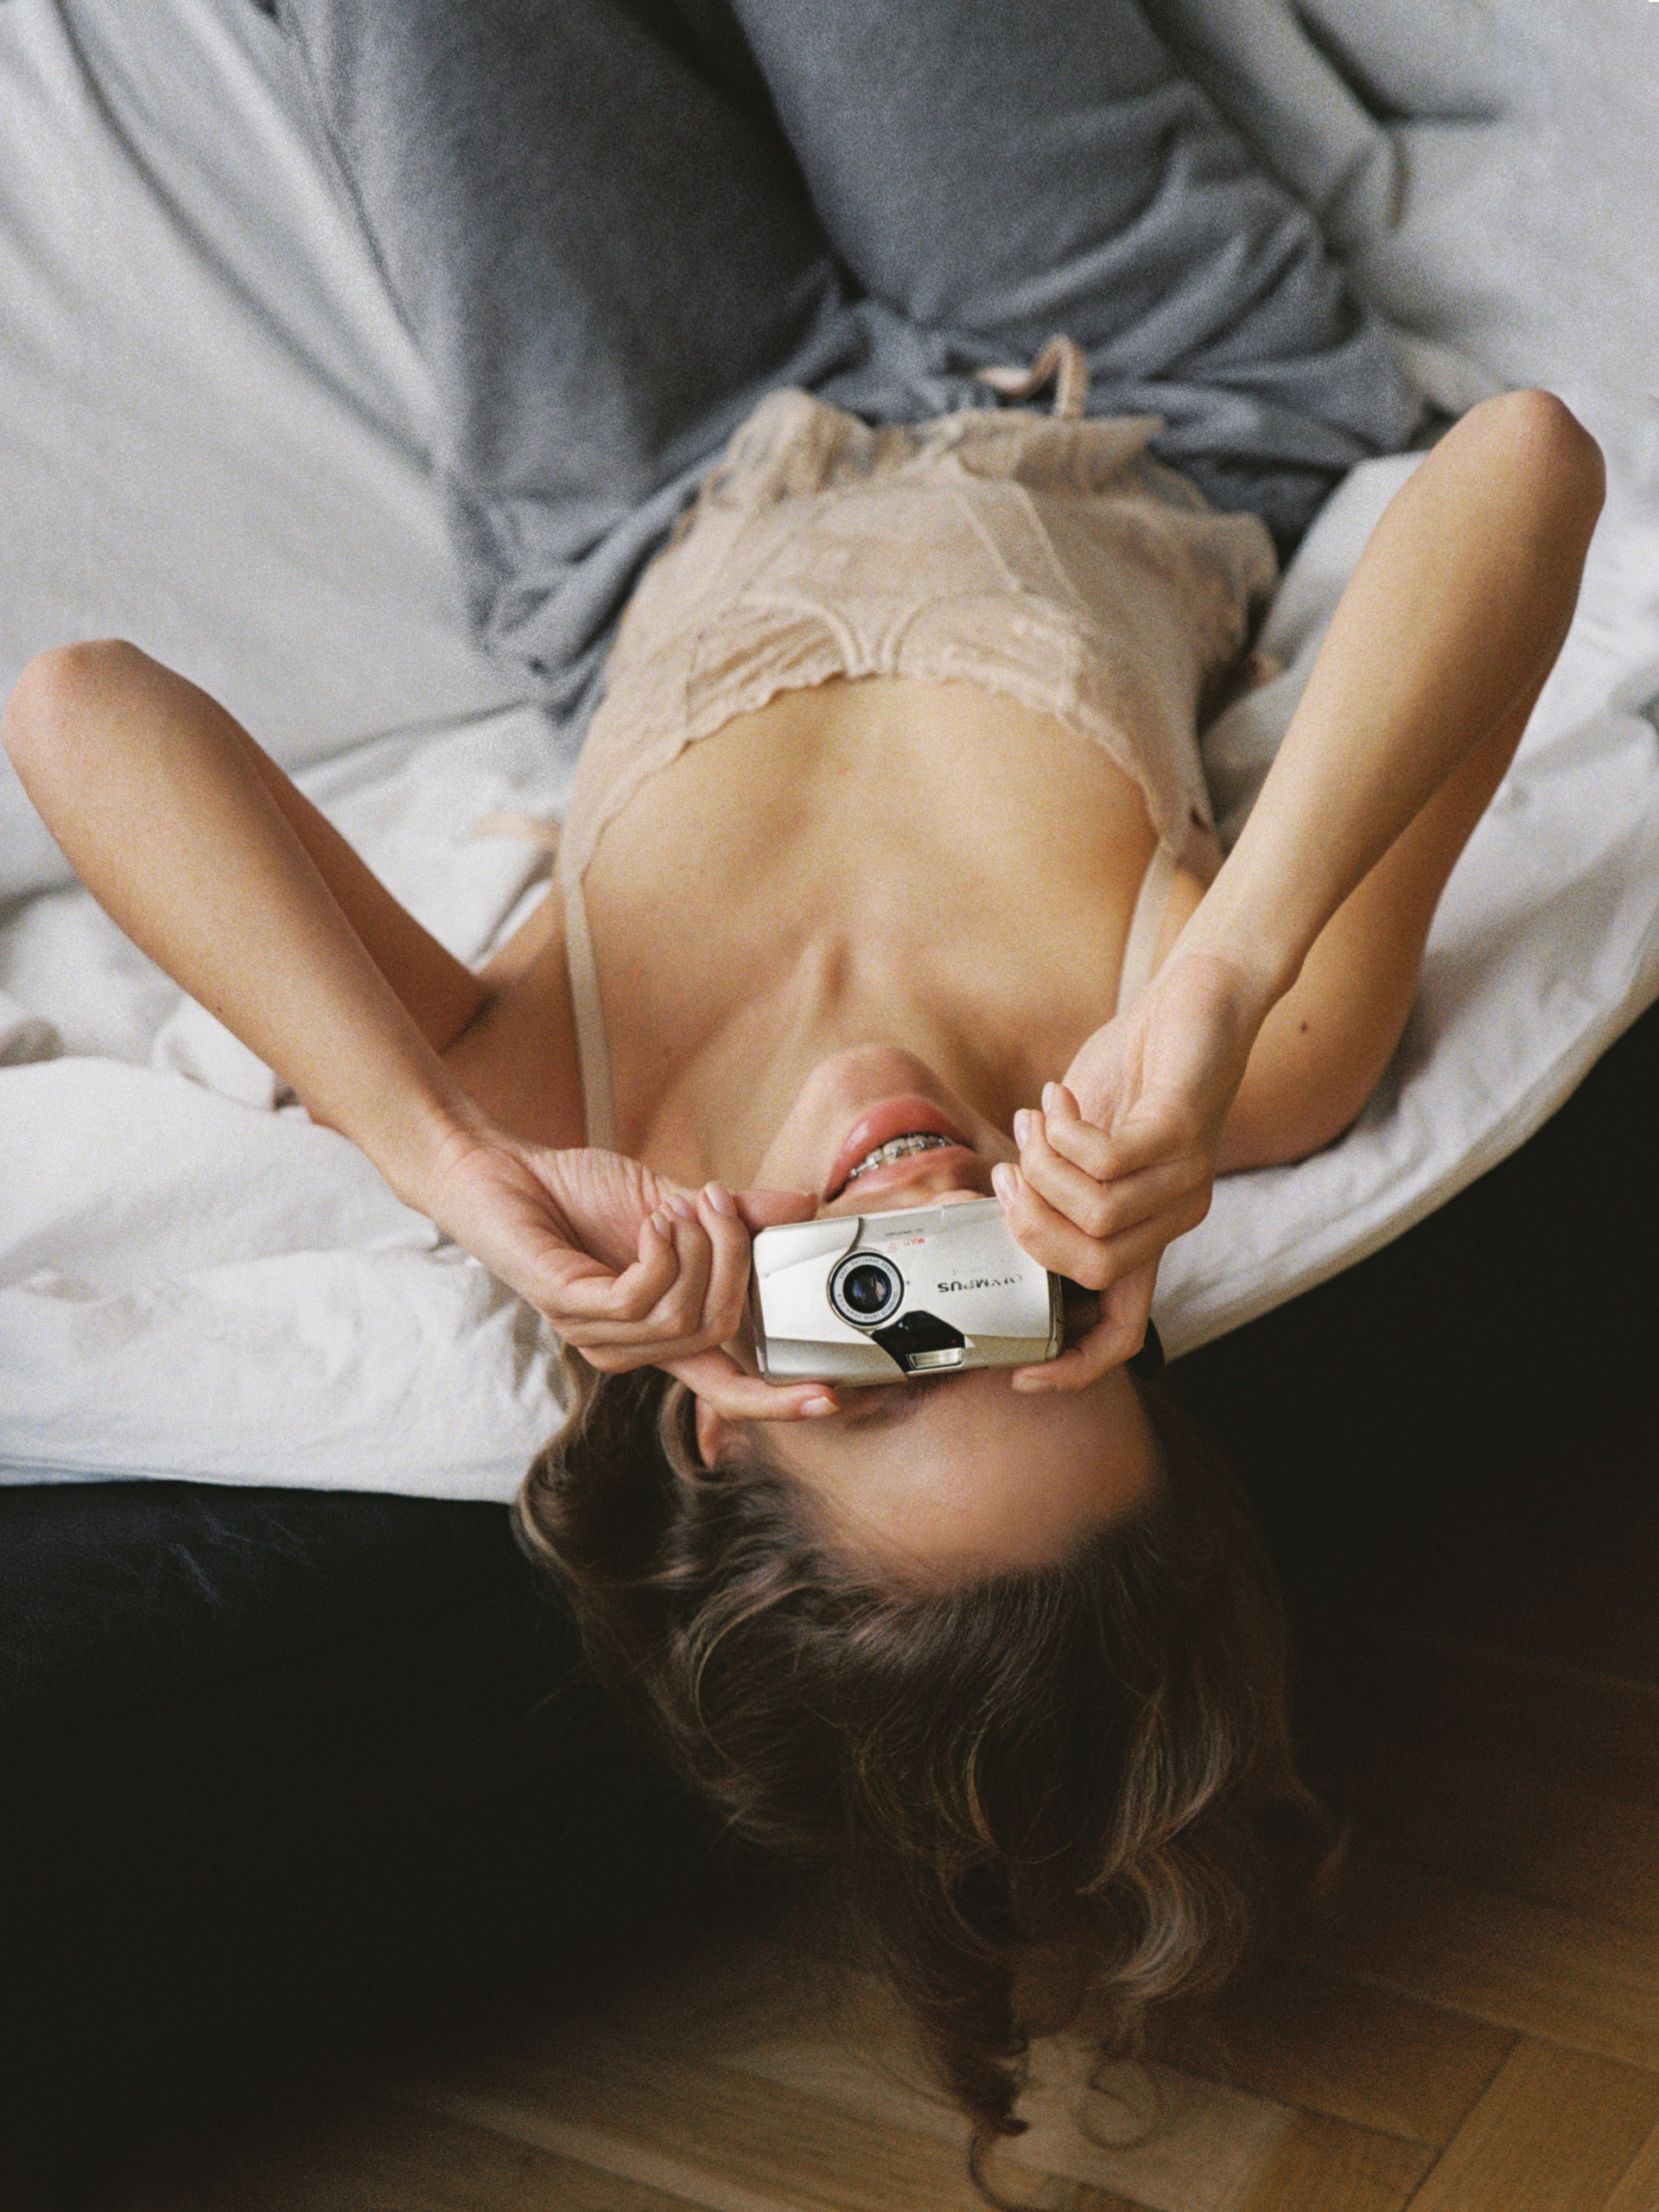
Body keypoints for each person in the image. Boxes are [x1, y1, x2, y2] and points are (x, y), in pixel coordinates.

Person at [3, 0, 1606, 2180]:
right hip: (1132, 382)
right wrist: (1231, 972)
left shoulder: (561, 1105)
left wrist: (438, 1153)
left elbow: (79, 706)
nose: (930, 1232)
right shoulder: (1213, 1063)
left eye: (884, 1343)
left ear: (724, 1403)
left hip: (635, 501)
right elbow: (1526, 464)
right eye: (1031, 1323)